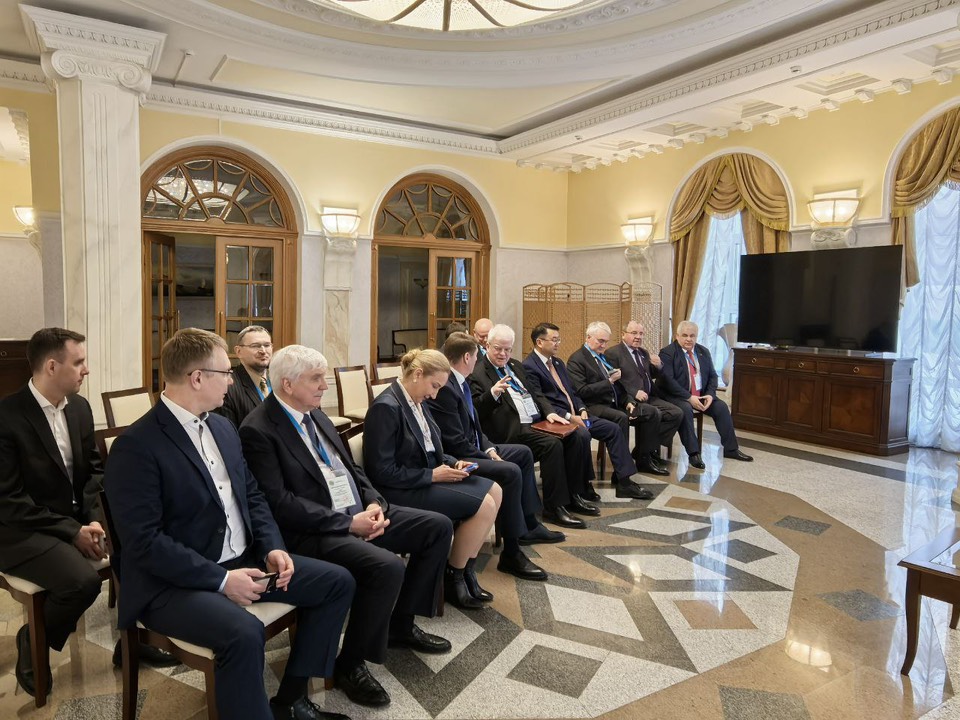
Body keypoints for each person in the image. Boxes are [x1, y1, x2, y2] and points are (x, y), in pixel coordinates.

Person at [105, 328, 355, 720]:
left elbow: (252, 495)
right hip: (171, 584)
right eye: (225, 372)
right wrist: (222, 581)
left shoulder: (222, 427)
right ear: (197, 378)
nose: (232, 381)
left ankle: (291, 701)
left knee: (337, 582)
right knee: (243, 633)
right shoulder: (137, 445)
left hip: (242, 559)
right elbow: (145, 543)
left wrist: (272, 547)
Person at [239, 345, 454, 708]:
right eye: (316, 379)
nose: (325, 387)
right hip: (313, 530)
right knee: (386, 567)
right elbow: (280, 503)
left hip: (355, 512)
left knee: (437, 527)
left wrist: (374, 503)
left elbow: (351, 470)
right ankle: (351, 664)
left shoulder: (316, 415)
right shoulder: (258, 429)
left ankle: (400, 625)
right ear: (288, 384)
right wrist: (348, 524)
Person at [0, 328, 106, 697]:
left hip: (73, 518)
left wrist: (93, 518)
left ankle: (135, 641)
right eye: (79, 362)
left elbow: (94, 473)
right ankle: (33, 637)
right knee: (83, 582)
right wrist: (71, 531)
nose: (86, 370)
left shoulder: (79, 408)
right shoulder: (7, 416)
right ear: (51, 366)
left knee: (139, 547)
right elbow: (8, 500)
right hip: (19, 529)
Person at [362, 348, 502, 611]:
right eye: (434, 386)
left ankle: (467, 569)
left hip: (426, 476)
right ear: (417, 374)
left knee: (495, 490)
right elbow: (380, 471)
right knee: (485, 505)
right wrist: (432, 475)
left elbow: (430, 448)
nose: (435, 395)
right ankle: (454, 575)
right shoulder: (386, 407)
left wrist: (452, 462)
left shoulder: (416, 401)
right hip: (399, 490)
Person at [428, 332, 562, 581]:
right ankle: (512, 552)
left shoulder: (460, 381)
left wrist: (489, 449)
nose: (477, 360)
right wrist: (486, 456)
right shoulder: (446, 388)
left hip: (476, 447)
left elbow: (476, 428)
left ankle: (529, 523)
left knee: (522, 453)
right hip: (458, 457)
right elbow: (455, 442)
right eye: (476, 355)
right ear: (467, 357)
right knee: (509, 471)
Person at [469, 324, 598, 529]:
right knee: (551, 445)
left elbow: (536, 394)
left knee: (576, 435)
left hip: (535, 423)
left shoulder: (516, 365)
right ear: (487, 346)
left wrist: (550, 413)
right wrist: (492, 394)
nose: (503, 354)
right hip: (511, 430)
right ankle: (554, 507)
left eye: (507, 349)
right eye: (498, 349)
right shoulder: (477, 373)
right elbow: (475, 410)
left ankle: (574, 495)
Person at [522, 323, 653, 500]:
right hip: (560, 420)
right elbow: (540, 400)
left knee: (613, 429)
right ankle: (584, 485)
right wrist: (570, 416)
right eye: (554, 340)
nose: (558, 343)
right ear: (539, 342)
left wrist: (582, 408)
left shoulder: (558, 363)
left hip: (580, 415)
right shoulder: (530, 366)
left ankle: (624, 482)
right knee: (583, 434)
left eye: (559, 339)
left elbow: (573, 392)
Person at [567, 321, 670, 477]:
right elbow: (581, 391)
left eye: (606, 342)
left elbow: (618, 385)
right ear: (588, 337)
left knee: (651, 412)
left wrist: (628, 401)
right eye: (600, 341)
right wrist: (609, 382)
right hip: (593, 406)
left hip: (614, 402)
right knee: (621, 417)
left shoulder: (601, 356)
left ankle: (644, 458)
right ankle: (622, 471)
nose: (603, 345)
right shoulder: (577, 359)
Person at [658, 320, 754, 469]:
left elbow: (713, 376)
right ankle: (694, 453)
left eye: (692, 336)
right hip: (677, 397)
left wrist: (710, 395)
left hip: (701, 396)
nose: (689, 339)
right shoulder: (667, 353)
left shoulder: (703, 351)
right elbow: (668, 381)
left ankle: (731, 449)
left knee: (721, 407)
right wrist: (689, 398)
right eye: (685, 335)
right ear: (677, 336)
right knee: (686, 409)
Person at [605, 321, 683, 469]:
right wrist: (633, 392)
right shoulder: (613, 353)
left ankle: (643, 449)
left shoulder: (643, 352)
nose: (638, 337)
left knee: (676, 413)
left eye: (641, 333)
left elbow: (650, 374)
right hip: (628, 400)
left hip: (649, 397)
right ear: (623, 334)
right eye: (634, 333)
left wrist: (658, 366)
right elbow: (614, 381)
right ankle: (646, 456)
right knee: (654, 413)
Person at [216, 325, 274, 427]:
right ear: (238, 351)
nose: (263, 351)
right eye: (255, 346)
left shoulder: (281, 381)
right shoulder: (228, 387)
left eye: (267, 345)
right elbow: (228, 432)